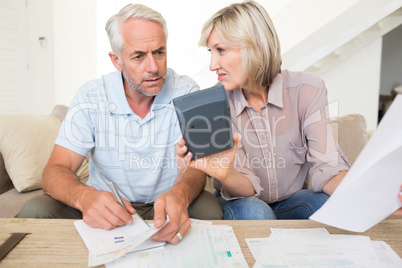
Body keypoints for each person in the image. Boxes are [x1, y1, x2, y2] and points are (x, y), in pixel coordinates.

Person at [16, 3, 222, 244]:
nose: (153, 67)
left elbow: (195, 166)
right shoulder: (91, 96)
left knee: (210, 210)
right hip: (109, 204)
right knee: (35, 209)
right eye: (138, 56)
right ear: (116, 60)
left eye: (159, 52)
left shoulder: (186, 91)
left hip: (166, 203)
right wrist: (85, 198)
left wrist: (180, 193)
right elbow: (55, 170)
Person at [178, 0, 351, 220]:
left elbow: (326, 169)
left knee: (326, 204)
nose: (213, 65)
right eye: (211, 52)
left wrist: (371, 197)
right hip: (242, 202)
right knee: (256, 212)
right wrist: (227, 174)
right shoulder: (214, 104)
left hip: (292, 201)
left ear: (256, 48)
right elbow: (248, 189)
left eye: (221, 50)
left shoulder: (308, 90)